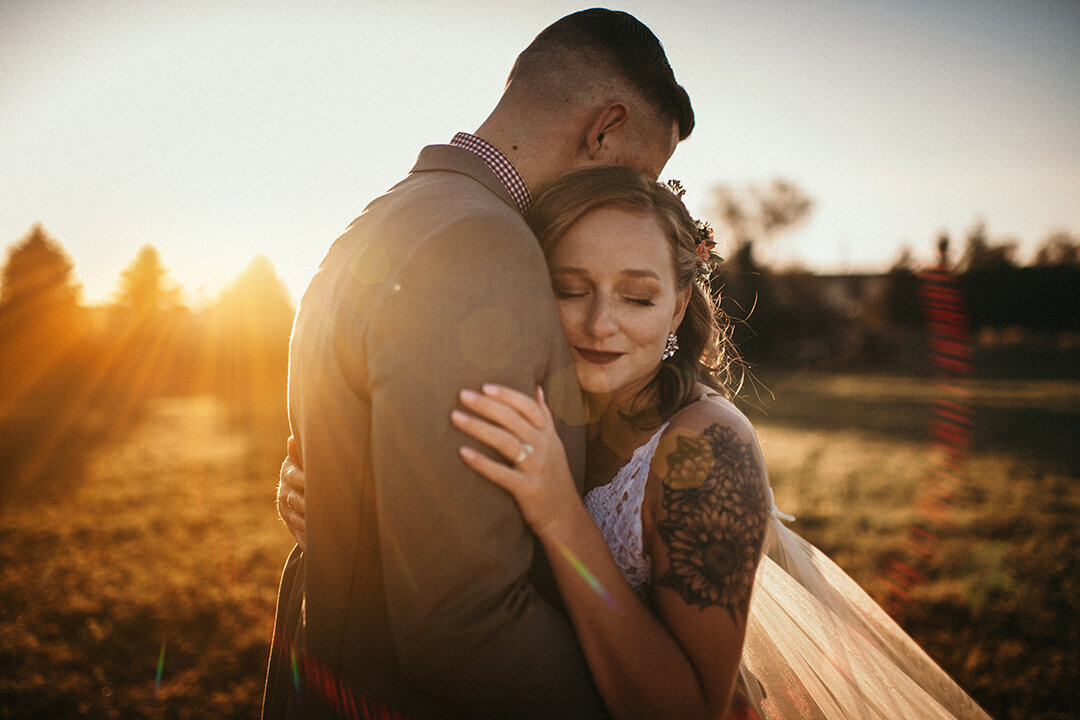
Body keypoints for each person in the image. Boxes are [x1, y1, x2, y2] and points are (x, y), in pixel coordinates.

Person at [279, 167, 992, 720]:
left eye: (637, 296)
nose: (600, 323)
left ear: (679, 305)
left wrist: (560, 512)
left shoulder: (706, 451)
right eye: (570, 288)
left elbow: (688, 709)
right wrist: (345, 511)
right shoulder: (540, 405)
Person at [262, 9, 694, 720]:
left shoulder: (383, 218)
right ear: (605, 129)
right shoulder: (478, 247)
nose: (632, 209)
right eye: (641, 174)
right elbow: (462, 623)